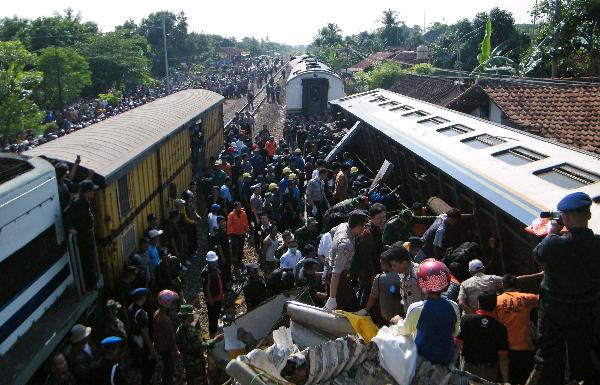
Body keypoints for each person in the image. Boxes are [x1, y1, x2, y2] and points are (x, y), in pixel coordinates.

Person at [533, 192, 600, 385]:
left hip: (555, 313)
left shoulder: (555, 243)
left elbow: (538, 254)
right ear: (588, 215)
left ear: (566, 218)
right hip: (587, 311)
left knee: (549, 358)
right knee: (583, 354)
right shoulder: (597, 244)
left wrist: (553, 230)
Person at [393, 260, 461, 375]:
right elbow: (455, 332)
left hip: (423, 363)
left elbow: (404, 331)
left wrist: (398, 321)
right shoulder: (454, 306)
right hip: (446, 361)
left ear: (421, 282)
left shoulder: (416, 308)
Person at [455, 293, 510, 383]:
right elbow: (503, 357)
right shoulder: (500, 328)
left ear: (479, 304)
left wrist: (451, 366)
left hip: (468, 368)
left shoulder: (467, 320)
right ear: (495, 305)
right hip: (488, 372)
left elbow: (457, 345)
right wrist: (506, 381)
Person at [496, 273, 539, 384]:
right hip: (525, 346)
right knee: (525, 380)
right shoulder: (526, 298)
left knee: (508, 380)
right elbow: (544, 298)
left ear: (502, 286)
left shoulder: (497, 301)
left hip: (504, 349)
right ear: (516, 285)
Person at [324, 210, 369, 312]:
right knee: (346, 308)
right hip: (339, 279)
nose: (364, 230)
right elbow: (336, 272)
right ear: (358, 226)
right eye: (363, 227)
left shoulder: (343, 226)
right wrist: (332, 298)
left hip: (334, 270)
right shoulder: (346, 244)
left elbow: (332, 232)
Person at [64, 180, 99, 291]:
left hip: (86, 234)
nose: (93, 193)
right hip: (83, 236)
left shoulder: (82, 200)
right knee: (87, 261)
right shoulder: (79, 202)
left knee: (90, 259)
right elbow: (66, 215)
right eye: (92, 191)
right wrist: (70, 228)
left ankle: (92, 282)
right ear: (87, 191)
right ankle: (90, 285)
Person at [356, 247, 404, 325]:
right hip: (403, 317)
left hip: (386, 318)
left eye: (381, 264)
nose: (380, 266)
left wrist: (365, 310)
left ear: (386, 264)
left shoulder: (379, 278)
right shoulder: (403, 275)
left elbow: (373, 297)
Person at [352, 203, 386, 308]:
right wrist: (371, 276)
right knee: (366, 298)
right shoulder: (367, 233)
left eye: (384, 217)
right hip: (368, 274)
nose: (382, 220)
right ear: (371, 218)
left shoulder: (376, 230)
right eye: (379, 218)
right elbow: (365, 258)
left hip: (375, 271)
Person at [176, 305, 216, 385]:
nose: (194, 316)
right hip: (196, 362)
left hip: (186, 360)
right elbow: (201, 346)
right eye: (192, 314)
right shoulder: (191, 331)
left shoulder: (179, 329)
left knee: (190, 380)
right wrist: (214, 340)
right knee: (201, 380)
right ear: (188, 316)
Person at [128, 288, 156, 385]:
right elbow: (144, 332)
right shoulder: (141, 313)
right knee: (149, 363)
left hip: (135, 338)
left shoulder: (132, 308)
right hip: (142, 340)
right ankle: (146, 381)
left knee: (143, 362)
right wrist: (151, 348)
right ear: (143, 297)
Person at [154, 290, 180, 385]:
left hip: (160, 346)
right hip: (166, 348)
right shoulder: (166, 321)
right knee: (169, 369)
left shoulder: (157, 313)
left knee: (165, 368)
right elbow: (171, 339)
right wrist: (176, 351)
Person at [201, 251, 225, 337]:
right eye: (212, 261)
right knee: (212, 317)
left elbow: (219, 281)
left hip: (218, 296)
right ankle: (212, 334)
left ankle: (215, 329)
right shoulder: (205, 272)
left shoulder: (216, 269)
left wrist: (222, 295)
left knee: (217, 313)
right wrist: (210, 299)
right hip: (212, 299)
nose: (214, 262)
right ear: (208, 261)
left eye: (214, 261)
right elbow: (206, 287)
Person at [227, 202, 250, 267]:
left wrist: (247, 229)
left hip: (241, 232)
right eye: (238, 206)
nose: (239, 208)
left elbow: (246, 222)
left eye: (240, 206)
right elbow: (229, 224)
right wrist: (229, 233)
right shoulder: (231, 215)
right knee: (233, 245)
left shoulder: (243, 213)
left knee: (241, 246)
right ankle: (234, 256)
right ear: (235, 207)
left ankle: (239, 259)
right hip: (234, 233)